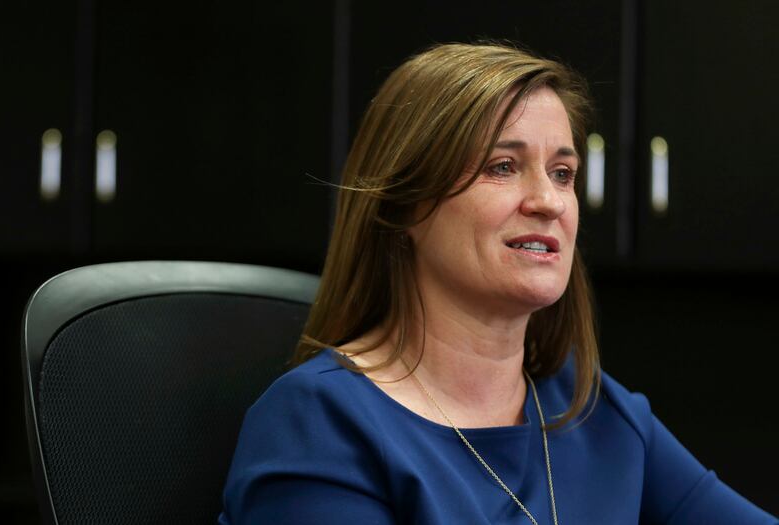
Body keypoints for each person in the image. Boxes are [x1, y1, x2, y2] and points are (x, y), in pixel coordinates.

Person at [219, 42, 777, 524]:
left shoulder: (588, 404)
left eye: (563, 173)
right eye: (502, 166)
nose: (548, 201)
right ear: (404, 204)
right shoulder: (318, 425)